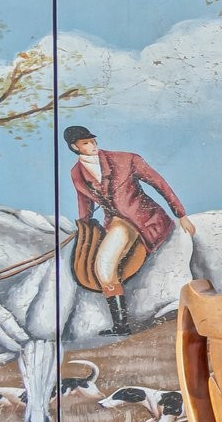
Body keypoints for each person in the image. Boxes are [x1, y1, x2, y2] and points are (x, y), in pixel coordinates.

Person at [64, 125, 195, 334]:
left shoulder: (127, 159)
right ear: (75, 147)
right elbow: (84, 200)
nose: (92, 145)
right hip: (115, 221)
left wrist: (181, 214)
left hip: (140, 218)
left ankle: (121, 326)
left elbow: (159, 183)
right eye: (86, 143)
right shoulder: (76, 173)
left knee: (104, 268)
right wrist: (84, 224)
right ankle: (120, 323)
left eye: (93, 141)